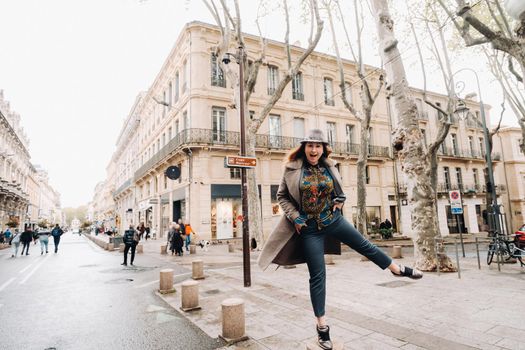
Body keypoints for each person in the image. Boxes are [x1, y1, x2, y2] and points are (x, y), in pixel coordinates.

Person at [257, 129, 423, 350]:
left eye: (318, 146)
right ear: (304, 147)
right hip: (309, 229)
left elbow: (339, 190)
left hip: (333, 220)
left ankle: (395, 268)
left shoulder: (331, 166)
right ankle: (322, 328)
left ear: (324, 149)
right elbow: (282, 197)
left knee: (365, 245)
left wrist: (340, 200)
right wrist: (296, 217)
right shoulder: (292, 168)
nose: (314, 150)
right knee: (318, 277)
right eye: (310, 145)